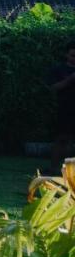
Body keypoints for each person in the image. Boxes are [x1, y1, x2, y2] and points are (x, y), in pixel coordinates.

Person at [47, 41, 75, 174]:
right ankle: (54, 168)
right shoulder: (58, 69)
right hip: (66, 109)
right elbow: (53, 88)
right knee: (62, 139)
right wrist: (71, 79)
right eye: (73, 55)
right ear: (67, 54)